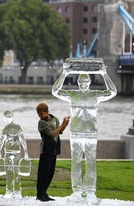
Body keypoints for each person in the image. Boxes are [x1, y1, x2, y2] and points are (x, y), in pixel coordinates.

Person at [52, 63, 117, 204]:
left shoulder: (95, 95)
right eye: (80, 81)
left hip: (91, 134)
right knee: (75, 163)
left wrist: (104, 73)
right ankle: (76, 191)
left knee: (90, 163)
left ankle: (90, 192)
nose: (83, 84)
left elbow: (112, 92)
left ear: (89, 82)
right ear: (77, 82)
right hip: (75, 133)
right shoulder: (72, 94)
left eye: (85, 81)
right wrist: (64, 73)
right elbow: (55, 91)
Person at [35, 102, 70, 202]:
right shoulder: (41, 123)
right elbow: (52, 133)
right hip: (46, 149)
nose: (40, 116)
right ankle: (40, 194)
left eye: (41, 114)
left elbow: (60, 132)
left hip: (54, 148)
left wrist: (65, 124)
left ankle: (44, 193)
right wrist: (62, 125)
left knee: (50, 172)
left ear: (47, 111)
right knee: (43, 173)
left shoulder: (55, 119)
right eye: (38, 114)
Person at [0, 110, 30, 199]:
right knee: (9, 173)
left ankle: (17, 192)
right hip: (8, 153)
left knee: (16, 173)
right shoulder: (7, 128)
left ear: (12, 117)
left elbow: (22, 140)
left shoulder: (16, 127)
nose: (7, 119)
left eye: (8, 117)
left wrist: (26, 152)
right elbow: (2, 140)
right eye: (6, 117)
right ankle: (10, 191)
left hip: (16, 153)